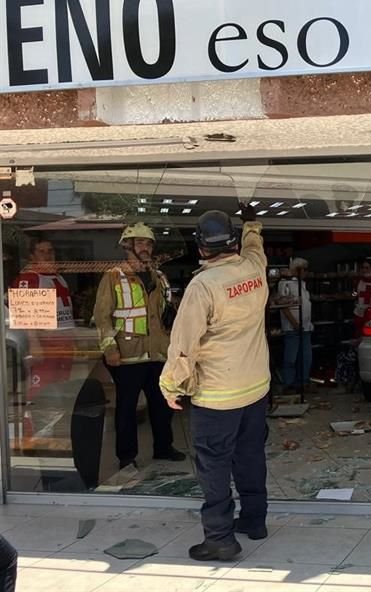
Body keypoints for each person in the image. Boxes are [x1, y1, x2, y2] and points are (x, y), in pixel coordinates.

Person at [159, 205, 270, 562]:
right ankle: (254, 520)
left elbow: (183, 345)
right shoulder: (254, 268)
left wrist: (170, 385)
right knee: (250, 455)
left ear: (200, 246)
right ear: (233, 241)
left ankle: (220, 538)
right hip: (255, 387)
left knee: (214, 466)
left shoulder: (203, 286)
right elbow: (256, 248)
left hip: (217, 395)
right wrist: (251, 223)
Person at [93, 223, 185, 470]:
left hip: (158, 353)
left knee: (162, 406)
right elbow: (102, 316)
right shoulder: (113, 276)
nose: (146, 247)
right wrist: (109, 348)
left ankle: (163, 448)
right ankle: (127, 457)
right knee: (126, 409)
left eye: (149, 243)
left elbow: (167, 313)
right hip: (127, 356)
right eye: (140, 242)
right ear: (127, 246)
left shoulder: (159, 276)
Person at [12, 239, 76, 435]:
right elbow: (25, 315)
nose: (48, 255)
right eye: (42, 251)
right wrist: (34, 344)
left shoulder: (58, 278)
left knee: (60, 391)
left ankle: (53, 432)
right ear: (32, 256)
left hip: (64, 344)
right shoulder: (29, 278)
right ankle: (33, 435)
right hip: (45, 345)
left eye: (51, 250)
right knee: (40, 391)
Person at [276, 257, 313, 392]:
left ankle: (303, 382)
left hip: (306, 326)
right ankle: (289, 383)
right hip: (293, 327)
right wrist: (294, 323)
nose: (306, 272)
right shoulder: (285, 283)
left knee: (305, 357)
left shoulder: (301, 284)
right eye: (304, 270)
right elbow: (283, 305)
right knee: (291, 357)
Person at [353, 257, 371, 336]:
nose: (364, 270)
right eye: (363, 268)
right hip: (359, 314)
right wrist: (353, 295)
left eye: (367, 268)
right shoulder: (358, 281)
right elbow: (355, 293)